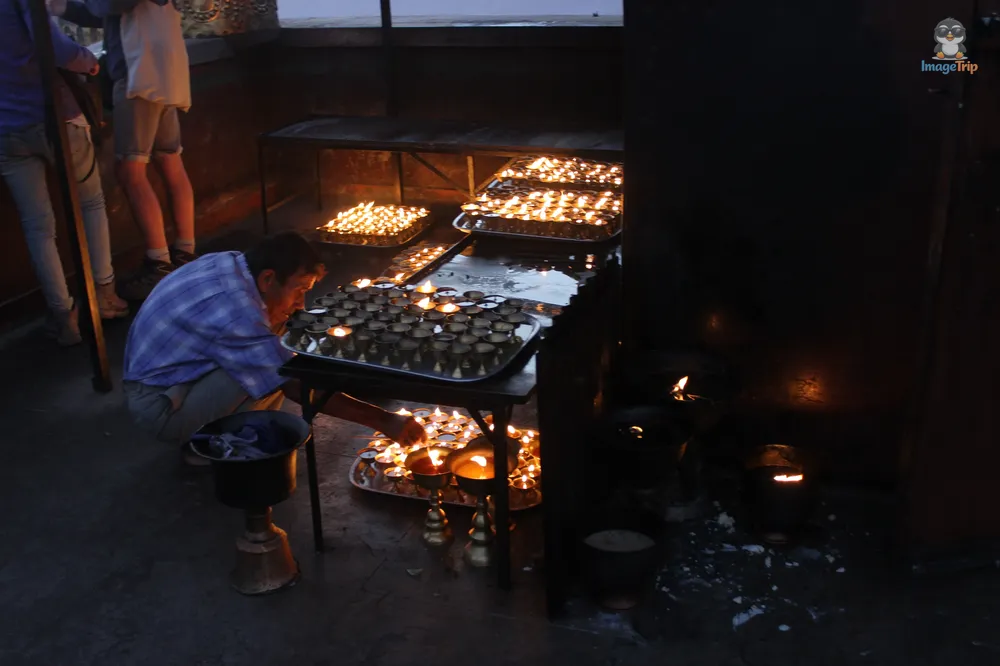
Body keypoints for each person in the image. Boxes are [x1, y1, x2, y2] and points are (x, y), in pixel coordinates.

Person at [122, 232, 428, 458]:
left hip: (169, 382)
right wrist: (384, 419)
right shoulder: (238, 312)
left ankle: (215, 427)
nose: (302, 302)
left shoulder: (231, 262)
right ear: (269, 278)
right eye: (299, 289)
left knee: (279, 331)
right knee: (274, 369)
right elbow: (291, 382)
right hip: (160, 407)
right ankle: (206, 442)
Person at [0, 0, 130, 346]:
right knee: (91, 203)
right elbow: (55, 48)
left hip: (6, 130)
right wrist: (89, 63)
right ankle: (104, 296)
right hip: (54, 116)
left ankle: (63, 315)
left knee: (37, 225)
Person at [51, 0, 197, 301]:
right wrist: (64, 8)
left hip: (139, 74)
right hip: (167, 71)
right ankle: (185, 252)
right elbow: (109, 13)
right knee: (170, 161)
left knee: (130, 170)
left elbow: (109, 5)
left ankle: (159, 264)